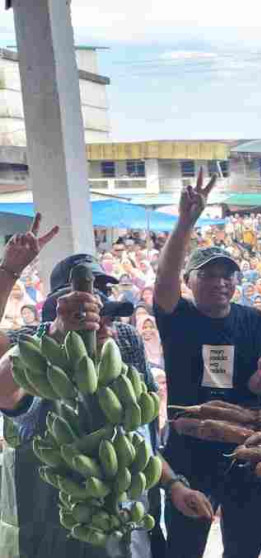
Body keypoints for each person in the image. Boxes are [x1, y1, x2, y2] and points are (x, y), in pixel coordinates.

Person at [0, 218, 211, 558]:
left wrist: (173, 484)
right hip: (56, 537)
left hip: (129, 534)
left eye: (108, 316)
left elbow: (139, 441)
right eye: (86, 318)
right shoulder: (38, 355)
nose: (105, 329)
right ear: (59, 315)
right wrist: (9, 272)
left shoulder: (124, 354)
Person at [154, 171, 261, 558]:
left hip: (244, 449)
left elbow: (258, 385)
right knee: (184, 544)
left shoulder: (255, 321)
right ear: (190, 282)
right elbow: (163, 281)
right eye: (208, 275)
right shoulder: (179, 317)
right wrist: (185, 224)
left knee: (244, 545)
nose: (220, 282)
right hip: (189, 448)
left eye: (227, 275)